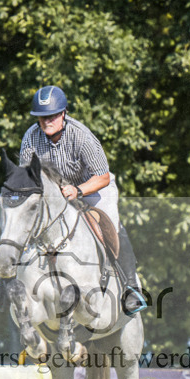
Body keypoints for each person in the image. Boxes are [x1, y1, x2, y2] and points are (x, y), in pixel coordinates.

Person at [18, 85, 146, 314]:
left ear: (63, 113)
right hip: (55, 195)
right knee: (22, 219)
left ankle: (131, 287)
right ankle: (10, 281)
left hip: (93, 187)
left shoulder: (82, 136)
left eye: (52, 115)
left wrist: (78, 191)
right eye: (42, 117)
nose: (47, 121)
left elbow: (103, 176)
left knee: (112, 225)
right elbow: (26, 178)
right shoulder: (31, 137)